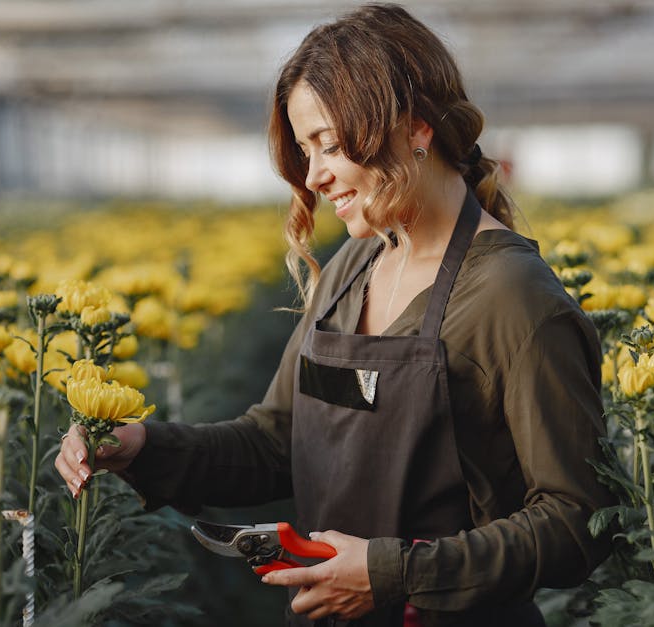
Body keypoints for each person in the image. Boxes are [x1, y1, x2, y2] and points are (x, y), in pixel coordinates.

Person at [55, 4, 615, 625]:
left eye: (327, 143)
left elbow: (576, 520)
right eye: (304, 148)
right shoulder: (355, 266)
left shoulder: (511, 296)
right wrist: (140, 447)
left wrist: (393, 575)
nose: (315, 175)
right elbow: (276, 441)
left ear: (416, 127)